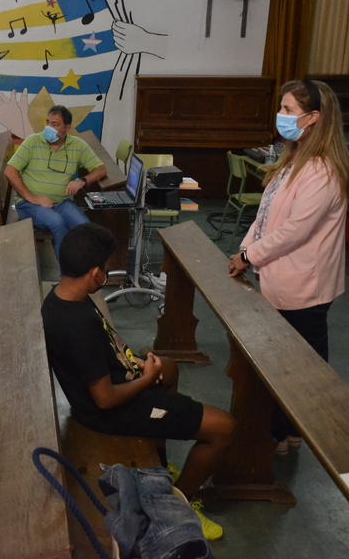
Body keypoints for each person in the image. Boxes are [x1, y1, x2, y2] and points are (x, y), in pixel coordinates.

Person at [43, 223, 236, 541]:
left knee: (167, 368)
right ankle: (180, 504)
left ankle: (158, 466)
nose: (106, 275)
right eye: (106, 270)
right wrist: (145, 379)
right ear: (95, 274)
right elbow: (105, 399)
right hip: (107, 413)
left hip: (111, 389)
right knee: (224, 427)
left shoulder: (64, 296)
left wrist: (137, 363)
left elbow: (107, 351)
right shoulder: (76, 325)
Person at [228, 79, 349, 455]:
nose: (280, 116)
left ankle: (283, 434)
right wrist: (246, 248)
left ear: (313, 118)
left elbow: (294, 231)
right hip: (277, 277)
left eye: (288, 110)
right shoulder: (293, 159)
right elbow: (265, 215)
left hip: (304, 287)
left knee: (298, 368)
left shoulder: (323, 172)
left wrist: (249, 257)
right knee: (279, 362)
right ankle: (283, 432)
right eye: (281, 108)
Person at [4, 105, 108, 259]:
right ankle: (64, 271)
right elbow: (10, 171)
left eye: (55, 124)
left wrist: (82, 181)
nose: (49, 128)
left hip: (61, 203)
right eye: (48, 123)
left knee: (85, 227)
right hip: (28, 204)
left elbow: (101, 169)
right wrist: (33, 198)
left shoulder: (77, 145)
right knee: (57, 223)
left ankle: (83, 268)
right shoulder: (33, 141)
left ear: (67, 128)